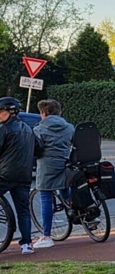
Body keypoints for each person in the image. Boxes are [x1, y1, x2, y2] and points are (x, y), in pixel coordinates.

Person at [33, 99, 74, 249]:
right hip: (65, 163)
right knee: (65, 191)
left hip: (47, 167)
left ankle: (46, 236)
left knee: (46, 197)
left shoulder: (39, 129)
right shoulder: (69, 127)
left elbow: (36, 150)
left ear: (43, 112)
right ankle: (79, 215)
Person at [0, 98, 39, 254]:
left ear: (10, 112)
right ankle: (27, 244)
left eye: (1, 112)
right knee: (23, 210)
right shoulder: (29, 129)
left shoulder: (4, 129)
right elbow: (39, 148)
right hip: (24, 175)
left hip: (5, 174)